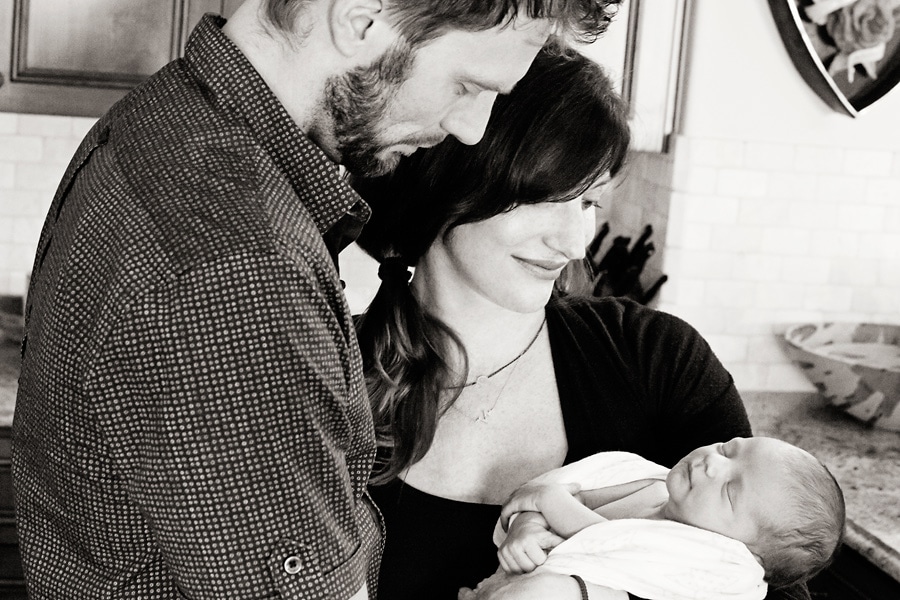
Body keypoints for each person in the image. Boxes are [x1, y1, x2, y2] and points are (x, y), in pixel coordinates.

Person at [10, 1, 622, 598]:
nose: (471, 128)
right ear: (360, 20)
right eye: (469, 85)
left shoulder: (163, 117)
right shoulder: (237, 268)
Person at [351, 47, 814, 600]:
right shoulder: (326, 369)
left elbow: (768, 580)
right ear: (451, 178)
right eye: (547, 197)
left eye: (590, 202)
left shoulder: (656, 360)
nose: (573, 243)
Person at [491, 437, 845, 600]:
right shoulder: (651, 485)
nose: (713, 463)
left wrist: (549, 502)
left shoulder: (709, 562)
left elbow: (617, 544)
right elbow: (572, 494)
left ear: (743, 551)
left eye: (729, 491)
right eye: (728, 449)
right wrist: (529, 524)